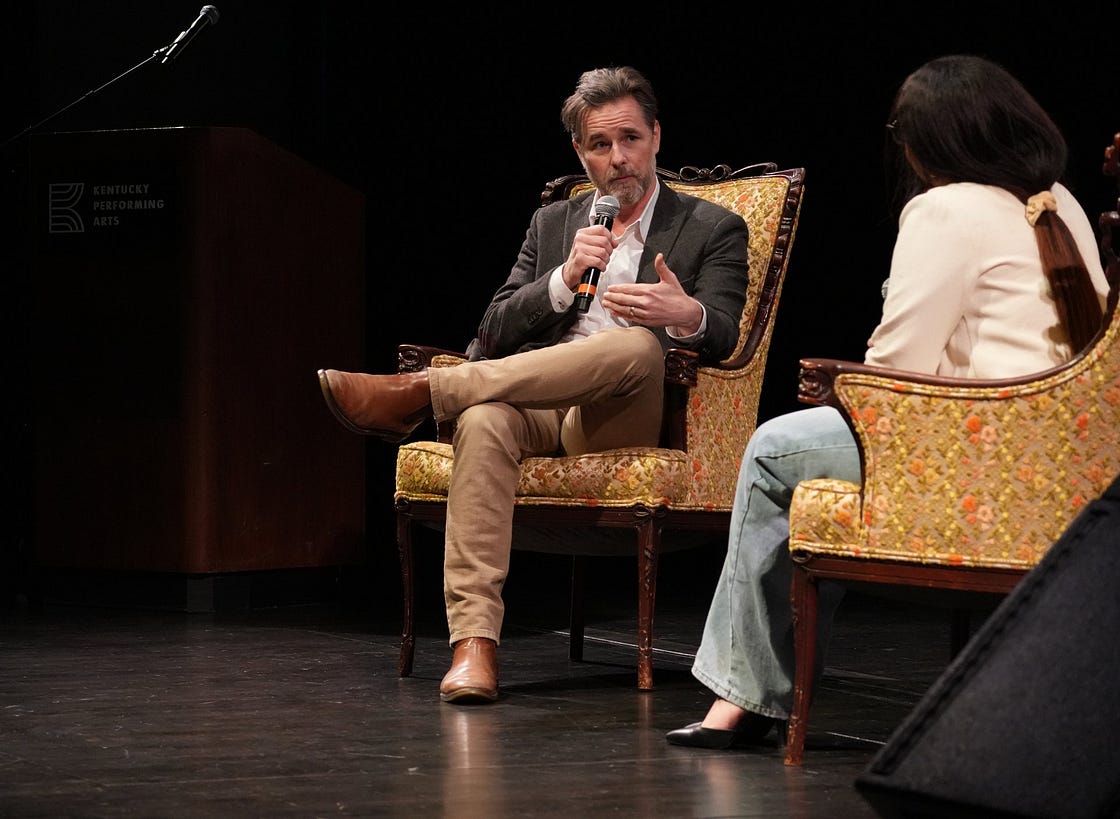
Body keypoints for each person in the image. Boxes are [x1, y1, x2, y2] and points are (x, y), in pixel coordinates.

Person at [666, 54, 1110, 749]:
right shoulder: (1059, 201)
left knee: (775, 449)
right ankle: (766, 679)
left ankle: (744, 693)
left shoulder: (944, 207)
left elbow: (895, 371)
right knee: (813, 466)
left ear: (925, 141)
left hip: (970, 444)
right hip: (1056, 460)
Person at [317, 65, 751, 703]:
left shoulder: (711, 227)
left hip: (622, 412)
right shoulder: (555, 225)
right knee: (484, 419)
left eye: (630, 138)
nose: (618, 158)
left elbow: (728, 334)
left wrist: (687, 316)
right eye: (600, 146)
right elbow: (489, 333)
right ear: (580, 152)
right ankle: (474, 648)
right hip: (543, 406)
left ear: (657, 136)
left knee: (632, 345)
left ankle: (421, 393)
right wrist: (562, 278)